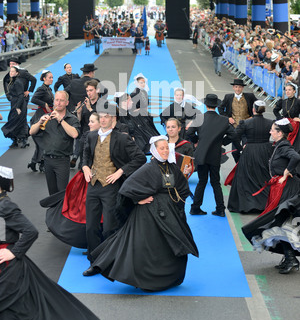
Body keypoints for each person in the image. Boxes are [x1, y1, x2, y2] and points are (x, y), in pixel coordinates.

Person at [86, 136, 199, 292]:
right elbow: (127, 188)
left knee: (170, 245)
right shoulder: (147, 168)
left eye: (167, 148)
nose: (165, 151)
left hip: (169, 214)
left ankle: (169, 277)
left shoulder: (172, 168)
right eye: (162, 148)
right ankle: (102, 265)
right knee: (137, 246)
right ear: (154, 150)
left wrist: (176, 201)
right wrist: (138, 200)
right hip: (148, 215)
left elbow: (182, 188)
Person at [0, 165, 102, 320]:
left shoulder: (5, 205)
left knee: (16, 308)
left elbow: (30, 231)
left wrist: (14, 252)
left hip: (7, 266)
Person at [82, 102, 147, 270]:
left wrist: (121, 172)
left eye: (106, 117)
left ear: (114, 118)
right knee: (90, 227)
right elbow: (86, 155)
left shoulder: (122, 138)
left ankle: (110, 260)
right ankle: (94, 262)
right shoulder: (91, 136)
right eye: (101, 117)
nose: (103, 120)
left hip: (111, 187)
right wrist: (85, 167)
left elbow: (140, 158)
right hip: (93, 185)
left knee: (109, 228)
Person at [242, 119, 300, 274]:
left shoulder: (284, 146)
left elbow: (296, 157)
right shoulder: (279, 145)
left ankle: (291, 258)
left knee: (278, 223)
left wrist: (286, 173)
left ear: (280, 133)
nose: (270, 132)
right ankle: (289, 258)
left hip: (286, 189)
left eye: (273, 130)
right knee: (278, 223)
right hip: (279, 188)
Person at [40, 112, 103, 249]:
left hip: (99, 179)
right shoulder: (87, 136)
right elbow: (84, 156)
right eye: (89, 121)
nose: (89, 124)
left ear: (101, 123)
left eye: (92, 122)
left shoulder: (106, 138)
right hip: (85, 177)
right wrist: (85, 167)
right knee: (81, 210)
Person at [190, 94, 241, 217]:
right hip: (215, 155)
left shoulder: (199, 118)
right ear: (216, 105)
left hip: (201, 154)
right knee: (215, 182)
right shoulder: (223, 120)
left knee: (201, 181)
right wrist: (222, 141)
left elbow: (189, 133)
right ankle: (220, 209)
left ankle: (195, 208)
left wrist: (198, 140)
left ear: (206, 105)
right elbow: (234, 135)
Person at [226, 100, 273, 213]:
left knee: (245, 177)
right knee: (263, 176)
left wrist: (240, 148)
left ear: (253, 109)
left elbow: (235, 136)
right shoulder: (270, 122)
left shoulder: (245, 123)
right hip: (265, 152)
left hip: (249, 151)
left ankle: (246, 205)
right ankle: (263, 204)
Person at [29, 91, 80, 195]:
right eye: (56, 100)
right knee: (52, 193)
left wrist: (61, 120)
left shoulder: (72, 119)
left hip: (62, 161)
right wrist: (39, 122)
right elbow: (31, 132)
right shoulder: (47, 117)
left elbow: (74, 134)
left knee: (62, 193)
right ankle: (53, 211)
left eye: (62, 100)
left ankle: (61, 211)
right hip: (48, 160)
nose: (58, 103)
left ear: (67, 102)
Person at [218, 78, 257, 162]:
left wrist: (253, 117)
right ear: (233, 88)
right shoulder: (228, 97)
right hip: (235, 129)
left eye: (239, 87)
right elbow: (220, 108)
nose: (238, 89)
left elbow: (259, 106)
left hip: (247, 128)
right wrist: (228, 118)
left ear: (242, 88)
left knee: (247, 150)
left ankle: (245, 166)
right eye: (236, 87)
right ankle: (238, 166)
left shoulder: (250, 96)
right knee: (235, 152)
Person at [28, 70, 54, 172]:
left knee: (43, 142)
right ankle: (42, 163)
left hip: (47, 115)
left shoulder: (48, 89)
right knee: (43, 141)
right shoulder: (41, 89)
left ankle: (34, 162)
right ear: (44, 78)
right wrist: (45, 104)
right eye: (50, 77)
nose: (52, 79)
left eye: (52, 77)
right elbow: (33, 99)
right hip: (40, 116)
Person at [1, 66, 29, 148]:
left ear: (17, 73)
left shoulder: (17, 82)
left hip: (19, 105)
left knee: (17, 122)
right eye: (10, 71)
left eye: (13, 71)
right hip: (15, 104)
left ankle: (23, 140)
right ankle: (16, 140)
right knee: (15, 121)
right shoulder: (12, 81)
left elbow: (21, 95)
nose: (11, 73)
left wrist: (18, 107)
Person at [273, 82, 300, 152]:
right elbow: (275, 110)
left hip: (295, 125)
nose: (287, 92)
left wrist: (299, 119)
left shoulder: (298, 102)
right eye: (286, 90)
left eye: (289, 90)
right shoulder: (283, 101)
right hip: (285, 124)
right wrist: (280, 119)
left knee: (293, 144)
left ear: (294, 91)